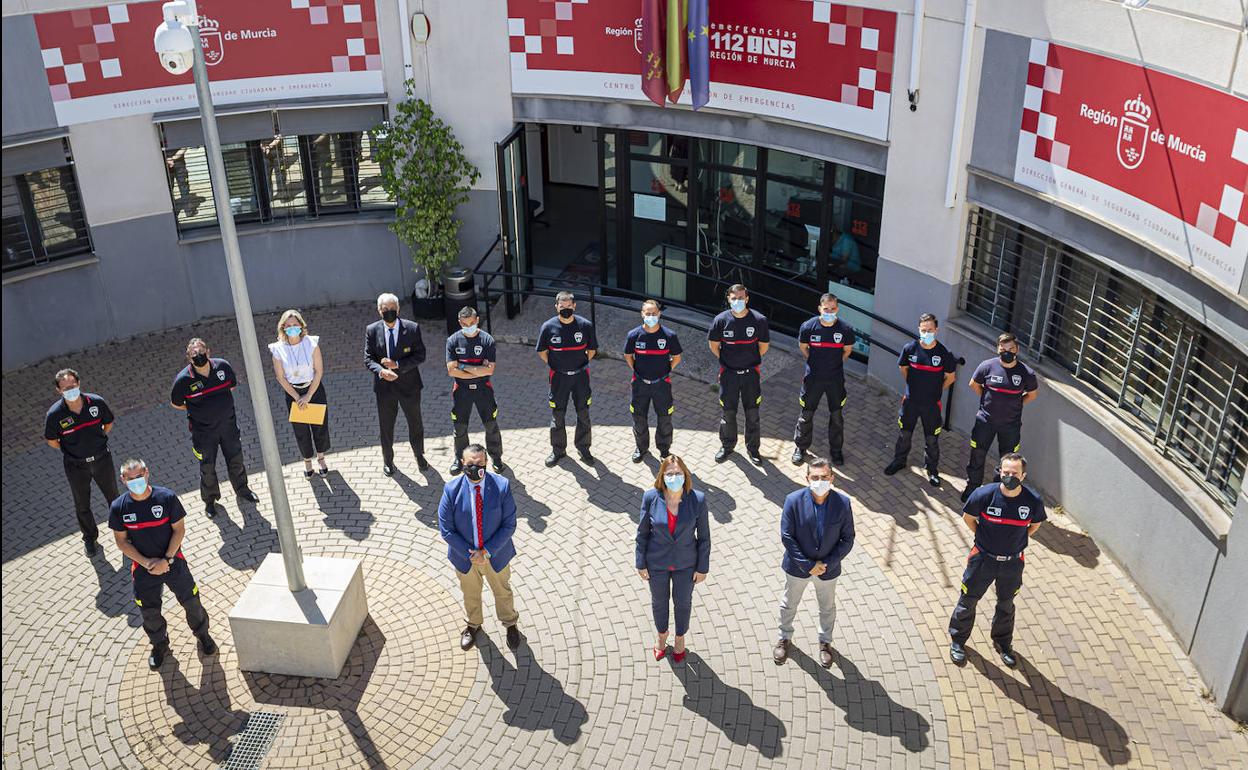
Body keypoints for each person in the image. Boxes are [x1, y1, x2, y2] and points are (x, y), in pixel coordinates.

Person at [109, 459, 217, 670]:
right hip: (143, 568)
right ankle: (159, 644)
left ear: (147, 473)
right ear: (123, 480)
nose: (136, 482)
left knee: (192, 602)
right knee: (149, 612)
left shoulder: (166, 498)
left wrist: (166, 559)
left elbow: (179, 530)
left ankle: (203, 635)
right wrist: (148, 563)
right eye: (130, 479)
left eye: (139, 476)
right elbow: (121, 542)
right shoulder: (119, 507)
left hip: (174, 562)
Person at [948, 453, 1046, 668]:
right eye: (1006, 472)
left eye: (1015, 473)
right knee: (968, 601)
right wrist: (983, 540)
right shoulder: (983, 495)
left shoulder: (1033, 501)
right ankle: (958, 641)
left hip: (1012, 563)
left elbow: (1035, 525)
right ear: (1000, 472)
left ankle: (1003, 644)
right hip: (982, 559)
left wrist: (1017, 541)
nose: (1010, 476)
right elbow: (968, 518)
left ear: (1024, 475)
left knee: (1006, 604)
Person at [437, 443, 521, 652]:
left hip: (496, 555)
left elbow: (509, 524)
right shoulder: (451, 489)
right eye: (471, 464)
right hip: (465, 558)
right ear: (463, 463)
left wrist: (487, 552)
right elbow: (446, 529)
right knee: (470, 593)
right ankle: (473, 625)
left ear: (486, 463)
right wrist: (473, 554)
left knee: (502, 591)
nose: (476, 468)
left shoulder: (501, 486)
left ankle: (510, 623)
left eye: (481, 463)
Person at [772, 458, 855, 668]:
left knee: (827, 608)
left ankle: (825, 642)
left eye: (824, 477)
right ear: (807, 478)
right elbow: (787, 536)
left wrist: (826, 563)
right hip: (798, 568)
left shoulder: (843, 504)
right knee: (789, 603)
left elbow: (848, 538)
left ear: (832, 478)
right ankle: (784, 637)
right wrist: (808, 565)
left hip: (828, 570)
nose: (820, 481)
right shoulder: (793, 500)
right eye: (815, 477)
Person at [170, 338, 259, 517]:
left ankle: (242, 490)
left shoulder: (223, 367)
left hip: (228, 427)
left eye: (201, 351)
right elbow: (176, 403)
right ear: (189, 358)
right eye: (194, 354)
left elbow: (231, 387)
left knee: (236, 460)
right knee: (207, 468)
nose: (198, 355)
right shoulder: (183, 380)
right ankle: (210, 501)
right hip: (203, 433)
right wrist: (196, 410)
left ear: (208, 352)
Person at [635, 455, 710, 662]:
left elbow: (704, 538)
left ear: (685, 475)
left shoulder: (698, 499)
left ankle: (679, 637)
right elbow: (642, 533)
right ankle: (661, 636)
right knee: (659, 602)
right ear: (662, 476)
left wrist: (702, 567)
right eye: (669, 474)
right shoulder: (650, 497)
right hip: (656, 563)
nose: (674, 477)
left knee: (683, 602)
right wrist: (640, 562)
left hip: (686, 564)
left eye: (678, 473)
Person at [44, 368, 120, 556]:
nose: (70, 389)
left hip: (102, 459)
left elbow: (108, 423)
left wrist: (97, 440)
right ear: (58, 391)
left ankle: (124, 533)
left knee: (114, 498)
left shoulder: (96, 402)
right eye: (65, 388)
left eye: (72, 385)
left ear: (79, 383)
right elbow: (52, 440)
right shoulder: (55, 415)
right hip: (75, 466)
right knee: (82, 504)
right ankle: (90, 539)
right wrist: (71, 450)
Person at [961, 333, 1040, 502]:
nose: (1007, 352)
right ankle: (972, 488)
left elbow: (1032, 395)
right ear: (998, 349)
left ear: (1017, 350)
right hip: (985, 422)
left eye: (1011, 348)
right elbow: (974, 384)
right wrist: (987, 400)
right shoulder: (987, 366)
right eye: (1003, 348)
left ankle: (998, 492)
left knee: (1007, 462)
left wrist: (1016, 404)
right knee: (977, 456)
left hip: (1010, 426)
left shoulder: (1026, 373)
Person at [884, 313, 958, 487]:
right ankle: (899, 461)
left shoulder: (944, 353)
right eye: (924, 330)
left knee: (931, 439)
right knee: (904, 435)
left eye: (930, 330)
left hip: (932, 405)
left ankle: (932, 470)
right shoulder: (910, 348)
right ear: (919, 329)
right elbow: (903, 369)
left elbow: (951, 377)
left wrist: (937, 390)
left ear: (936, 330)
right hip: (910, 402)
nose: (927, 333)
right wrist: (913, 386)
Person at [365, 292, 427, 476]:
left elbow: (420, 355)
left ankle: (419, 455)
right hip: (385, 389)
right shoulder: (372, 330)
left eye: (392, 309)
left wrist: (398, 365)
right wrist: (381, 371)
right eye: (385, 309)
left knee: (415, 423)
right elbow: (368, 359)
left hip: (409, 386)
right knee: (386, 426)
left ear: (398, 309)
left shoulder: (412, 328)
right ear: (379, 311)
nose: (389, 312)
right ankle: (388, 460)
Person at [708, 284, 769, 464]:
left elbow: (763, 347)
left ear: (747, 299)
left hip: (751, 375)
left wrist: (747, 359)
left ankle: (753, 449)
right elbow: (713, 345)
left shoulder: (759, 320)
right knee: (728, 413)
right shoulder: (720, 320)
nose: (738, 301)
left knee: (752, 414)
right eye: (734, 298)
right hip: (729, 375)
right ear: (728, 299)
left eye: (741, 298)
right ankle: (727, 446)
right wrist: (728, 360)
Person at [791, 293, 855, 466]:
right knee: (806, 415)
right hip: (813, 379)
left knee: (836, 417)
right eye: (826, 309)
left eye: (833, 309)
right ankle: (800, 448)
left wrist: (833, 365)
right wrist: (815, 363)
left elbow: (847, 351)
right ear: (820, 308)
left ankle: (836, 451)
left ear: (837, 309)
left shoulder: (846, 330)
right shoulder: (808, 327)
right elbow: (803, 347)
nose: (829, 312)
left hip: (835, 380)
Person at [536, 291, 598, 467]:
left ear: (574, 306)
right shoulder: (548, 327)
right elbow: (542, 351)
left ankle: (583, 448)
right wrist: (556, 364)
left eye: (568, 306)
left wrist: (580, 363)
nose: (565, 309)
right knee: (558, 416)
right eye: (562, 307)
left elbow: (592, 350)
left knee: (583, 414)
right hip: (558, 379)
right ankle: (558, 450)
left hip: (580, 377)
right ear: (556, 307)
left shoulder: (585, 325)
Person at [269, 309, 330, 477]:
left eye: (295, 324)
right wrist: (297, 397)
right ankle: (307, 461)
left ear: (301, 326)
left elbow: (319, 370)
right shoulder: (278, 349)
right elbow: (280, 377)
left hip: (314, 389)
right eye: (288, 325)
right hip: (293, 393)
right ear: (283, 328)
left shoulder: (311, 343)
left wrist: (309, 395)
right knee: (301, 429)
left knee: (319, 426)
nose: (292, 328)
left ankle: (321, 457)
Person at [446, 307, 504, 475]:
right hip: (461, 390)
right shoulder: (453, 341)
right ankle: (460, 458)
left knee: (491, 425)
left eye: (471, 323)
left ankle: (496, 457)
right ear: (459, 323)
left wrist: (462, 366)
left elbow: (489, 370)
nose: (468, 326)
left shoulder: (487, 340)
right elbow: (451, 371)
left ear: (477, 320)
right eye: (465, 324)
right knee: (460, 427)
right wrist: (478, 367)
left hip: (483, 390)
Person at [623, 300, 683, 463]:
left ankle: (664, 450)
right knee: (639, 417)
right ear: (642, 314)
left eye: (653, 313)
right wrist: (636, 370)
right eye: (647, 313)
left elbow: (677, 357)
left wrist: (666, 370)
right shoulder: (634, 335)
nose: (650, 316)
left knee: (664, 418)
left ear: (659, 314)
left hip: (661, 384)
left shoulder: (669, 335)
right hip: (640, 384)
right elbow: (628, 356)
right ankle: (641, 448)